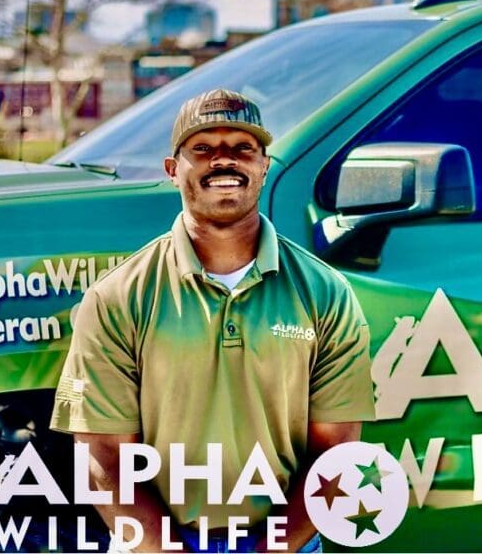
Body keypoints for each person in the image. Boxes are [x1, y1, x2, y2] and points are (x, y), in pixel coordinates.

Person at [50, 88, 374, 552]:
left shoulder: (326, 293)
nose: (224, 160)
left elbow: (336, 452)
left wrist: (272, 550)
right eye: (202, 148)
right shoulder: (117, 297)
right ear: (172, 169)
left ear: (264, 166)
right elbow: (103, 456)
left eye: (242, 148)